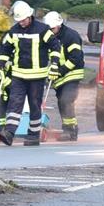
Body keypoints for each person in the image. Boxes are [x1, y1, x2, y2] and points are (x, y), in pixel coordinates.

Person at [0, 1, 61, 146]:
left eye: (24, 20)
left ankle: (33, 135)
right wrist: (2, 61)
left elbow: (55, 46)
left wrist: (55, 64)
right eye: (19, 21)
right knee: (15, 103)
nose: (22, 23)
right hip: (19, 75)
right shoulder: (14, 31)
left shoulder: (42, 30)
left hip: (37, 76)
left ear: (30, 16)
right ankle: (9, 133)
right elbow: (6, 48)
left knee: (34, 104)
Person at [43, 11, 84, 141]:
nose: (51, 31)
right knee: (62, 102)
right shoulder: (47, 36)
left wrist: (60, 70)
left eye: (52, 28)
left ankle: (69, 130)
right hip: (58, 77)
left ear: (59, 25)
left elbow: (75, 58)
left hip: (72, 73)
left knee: (66, 100)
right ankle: (71, 128)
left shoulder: (71, 36)